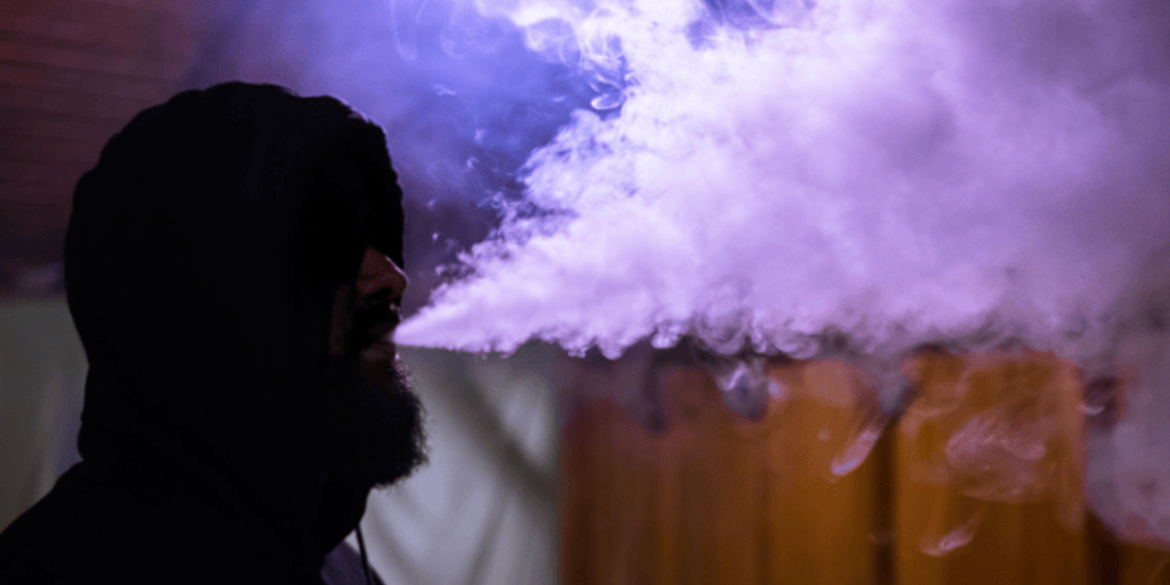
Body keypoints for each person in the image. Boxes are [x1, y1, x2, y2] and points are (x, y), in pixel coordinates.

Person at [0, 82, 427, 583]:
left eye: (378, 239)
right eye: (330, 242)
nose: (392, 278)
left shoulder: (341, 572)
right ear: (209, 292)